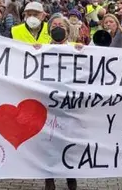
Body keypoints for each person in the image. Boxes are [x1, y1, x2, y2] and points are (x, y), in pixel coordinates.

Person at [42, 14, 79, 190]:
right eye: (54, 25)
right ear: (50, 29)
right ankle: (49, 178)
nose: (57, 27)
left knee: (69, 141)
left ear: (67, 29)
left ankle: (70, 176)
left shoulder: (76, 50)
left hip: (69, 106)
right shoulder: (41, 49)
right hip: (48, 104)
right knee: (49, 143)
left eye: (60, 25)